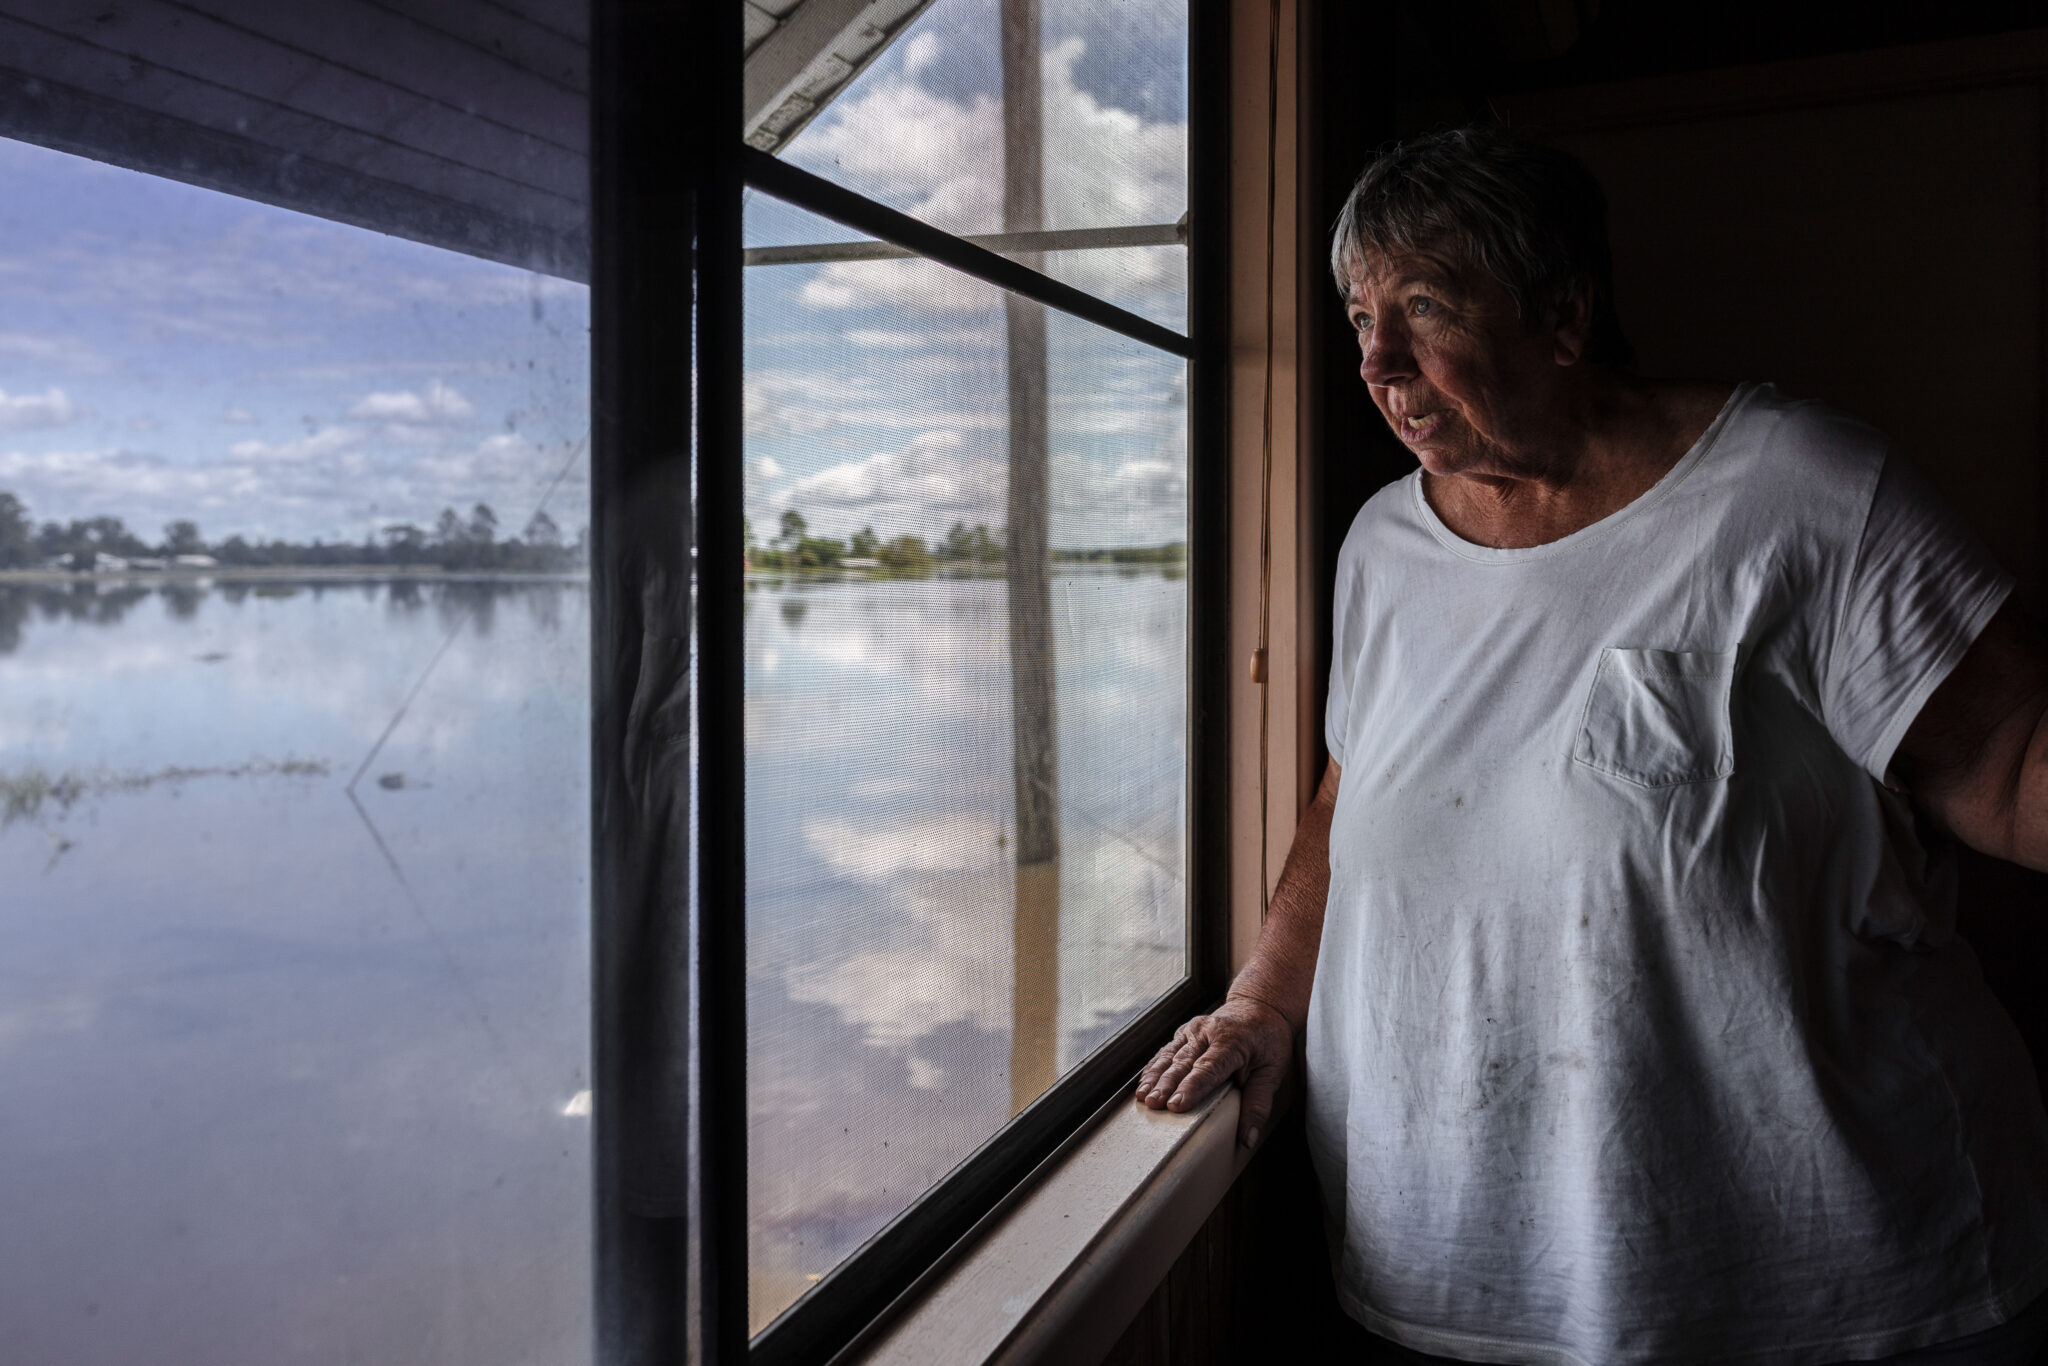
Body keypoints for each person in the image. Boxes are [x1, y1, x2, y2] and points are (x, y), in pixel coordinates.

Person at [1137, 127, 2048, 1365]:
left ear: (1562, 315)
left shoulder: (1800, 492)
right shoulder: (1380, 547)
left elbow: (2011, 758)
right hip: (1458, 1266)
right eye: (1358, 316)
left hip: (1827, 1283)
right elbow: (1349, 799)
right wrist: (1258, 1003)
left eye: (1423, 306)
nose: (1375, 360)